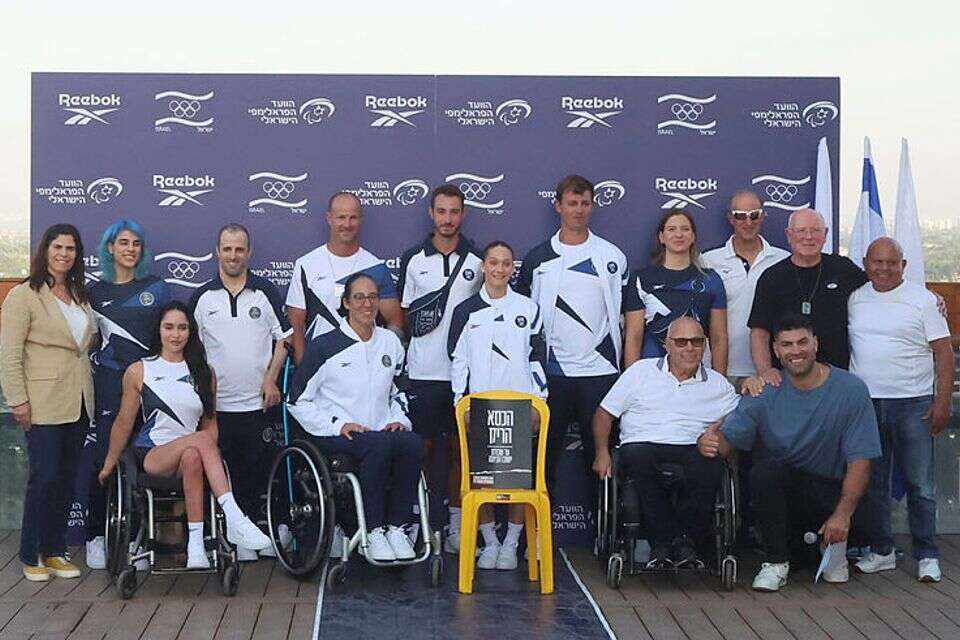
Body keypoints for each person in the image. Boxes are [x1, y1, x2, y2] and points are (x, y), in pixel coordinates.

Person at [698, 314, 881, 592]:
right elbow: (724, 443)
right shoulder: (765, 391)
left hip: (838, 495)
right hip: (792, 499)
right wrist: (707, 441)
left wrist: (842, 515)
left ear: (815, 344)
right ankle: (776, 563)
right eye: (787, 344)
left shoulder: (851, 389)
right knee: (764, 473)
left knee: (854, 512)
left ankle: (835, 545)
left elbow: (861, 461)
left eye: (802, 342)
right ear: (775, 350)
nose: (796, 351)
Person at [97, 301, 272, 569]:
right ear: (159, 330)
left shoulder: (204, 373)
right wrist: (109, 463)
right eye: (169, 327)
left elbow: (210, 424)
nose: (175, 334)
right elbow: (123, 422)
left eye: (182, 328)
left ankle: (196, 548)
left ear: (191, 332)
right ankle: (234, 516)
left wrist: (207, 453)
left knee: (193, 454)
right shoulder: (140, 370)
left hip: (190, 459)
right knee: (200, 441)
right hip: (154, 454)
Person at [286, 274, 421, 562]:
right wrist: (337, 425)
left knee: (412, 443)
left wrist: (400, 419)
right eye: (359, 297)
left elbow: (400, 391)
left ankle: (397, 529)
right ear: (346, 303)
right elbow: (296, 401)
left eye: (372, 297)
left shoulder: (390, 342)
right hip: (338, 434)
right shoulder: (324, 346)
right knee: (378, 446)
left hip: (380, 431)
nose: (367, 304)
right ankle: (373, 531)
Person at [516, 174, 631, 508]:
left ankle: (604, 530)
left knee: (600, 459)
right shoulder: (537, 259)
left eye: (584, 203)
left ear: (592, 206)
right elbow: (524, 317)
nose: (578, 210)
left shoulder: (612, 256)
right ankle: (536, 531)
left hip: (600, 373)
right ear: (558, 206)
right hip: (550, 375)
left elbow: (627, 315)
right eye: (572, 203)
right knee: (542, 459)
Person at [592, 317, 739, 567]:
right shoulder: (640, 372)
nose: (689, 348)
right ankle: (663, 541)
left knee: (712, 462)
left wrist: (719, 436)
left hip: (693, 445)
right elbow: (604, 414)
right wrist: (601, 453)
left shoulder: (718, 384)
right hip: (644, 442)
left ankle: (684, 541)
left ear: (705, 345)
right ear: (667, 344)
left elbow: (739, 421)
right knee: (637, 456)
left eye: (696, 342)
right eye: (681, 342)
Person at [848, 237, 953, 582]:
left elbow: (944, 352)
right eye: (877, 262)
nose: (884, 269)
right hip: (866, 405)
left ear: (903, 266)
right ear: (866, 264)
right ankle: (882, 551)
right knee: (873, 484)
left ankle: (927, 555)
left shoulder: (924, 301)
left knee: (920, 485)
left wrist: (942, 402)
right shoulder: (854, 298)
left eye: (891, 263)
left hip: (913, 403)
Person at [189, 223, 293, 561]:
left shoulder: (265, 292)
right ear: (217, 252)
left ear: (249, 252)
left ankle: (261, 534)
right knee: (224, 472)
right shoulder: (202, 297)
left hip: (257, 404)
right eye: (227, 249)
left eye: (239, 249)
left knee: (258, 472)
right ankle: (232, 538)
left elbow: (285, 339)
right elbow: (190, 350)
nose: (233, 255)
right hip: (217, 409)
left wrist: (271, 379)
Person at [1, 224, 95, 582]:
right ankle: (31, 554)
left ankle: (55, 551)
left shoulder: (78, 293)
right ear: (45, 250)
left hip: (79, 400)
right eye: (58, 247)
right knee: (44, 477)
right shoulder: (23, 295)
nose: (64, 254)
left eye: (71, 248)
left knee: (66, 479)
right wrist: (18, 401)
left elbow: (81, 346)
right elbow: (9, 355)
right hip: (41, 403)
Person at [448, 241, 548, 571]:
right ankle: (490, 543)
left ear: (512, 269)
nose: (499, 269)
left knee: (518, 480)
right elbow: (458, 361)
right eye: (493, 262)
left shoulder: (528, 308)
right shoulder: (465, 310)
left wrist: (538, 404)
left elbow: (537, 359)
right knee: (482, 481)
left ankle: (511, 545)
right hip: (480, 408)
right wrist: (461, 405)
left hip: (520, 407)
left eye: (506, 263)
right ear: (483, 266)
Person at [398, 184, 482, 553]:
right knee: (421, 452)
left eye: (454, 212)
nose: (448, 219)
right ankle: (419, 522)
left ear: (463, 214)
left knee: (462, 454)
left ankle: (457, 527)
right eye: (441, 211)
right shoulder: (413, 258)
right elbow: (404, 315)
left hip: (465, 377)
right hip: (422, 374)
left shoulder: (479, 259)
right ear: (431, 213)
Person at [85, 219, 171, 569]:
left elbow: (170, 336)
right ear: (110, 248)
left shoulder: (157, 288)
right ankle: (96, 535)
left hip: (148, 385)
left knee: (143, 459)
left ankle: (138, 539)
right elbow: (88, 340)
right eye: (123, 243)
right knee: (105, 458)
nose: (130, 249)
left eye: (136, 243)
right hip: (109, 384)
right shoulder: (93, 293)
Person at [748, 209, 867, 382]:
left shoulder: (843, 269)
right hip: (788, 380)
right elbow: (759, 332)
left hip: (837, 378)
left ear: (825, 234)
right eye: (801, 231)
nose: (808, 237)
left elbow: (877, 289)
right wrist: (765, 371)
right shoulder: (772, 277)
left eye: (815, 230)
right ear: (789, 235)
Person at [285, 191, 401, 363]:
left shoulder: (376, 267)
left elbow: (395, 321)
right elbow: (296, 325)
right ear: (329, 218)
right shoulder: (306, 265)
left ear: (360, 219)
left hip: (364, 364)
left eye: (353, 218)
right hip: (320, 364)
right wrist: (303, 367)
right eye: (341, 217)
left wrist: (386, 362)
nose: (347, 224)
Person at [624, 209, 728, 375]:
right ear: (661, 237)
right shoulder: (641, 279)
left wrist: (719, 380)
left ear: (693, 237)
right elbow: (634, 337)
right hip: (653, 372)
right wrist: (631, 380)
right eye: (671, 229)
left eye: (685, 229)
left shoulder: (711, 279)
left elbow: (719, 337)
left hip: (698, 372)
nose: (679, 235)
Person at [701, 191, 789, 384]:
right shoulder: (708, 261)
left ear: (763, 216)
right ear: (730, 218)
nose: (748, 222)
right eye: (740, 215)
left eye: (754, 215)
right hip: (721, 370)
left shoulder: (783, 260)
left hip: (772, 371)